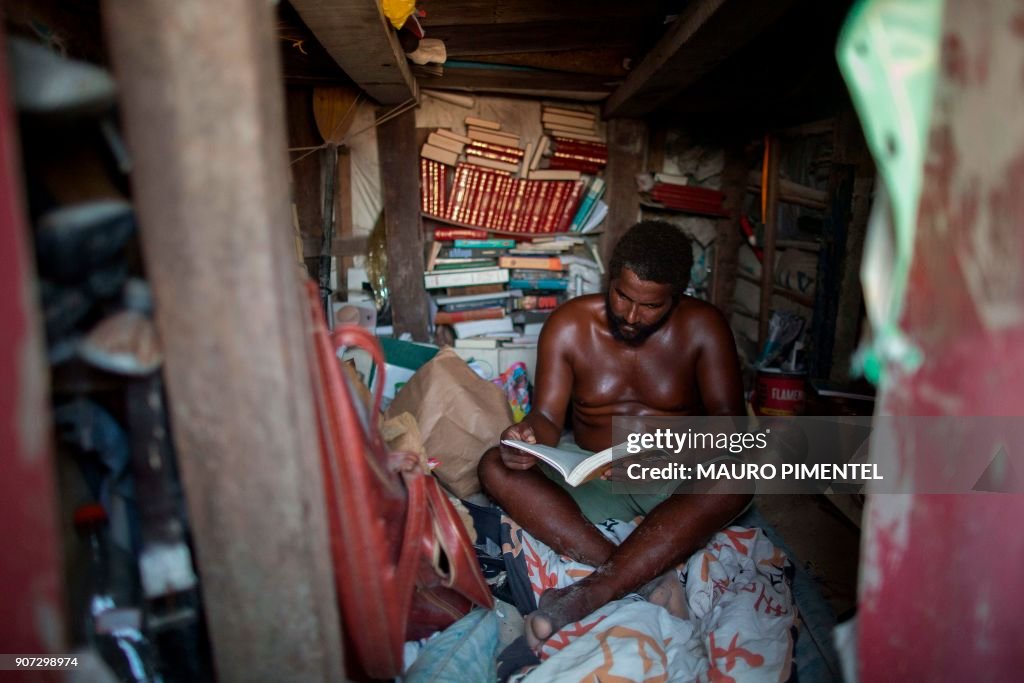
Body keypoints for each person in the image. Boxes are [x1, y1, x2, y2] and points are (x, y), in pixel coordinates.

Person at [478, 220, 751, 648]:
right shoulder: (570, 324)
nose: (630, 315)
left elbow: (732, 429)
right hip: (592, 478)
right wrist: (528, 434)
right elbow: (548, 416)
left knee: (738, 475)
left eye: (650, 306)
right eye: (622, 295)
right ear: (610, 278)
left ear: (676, 297)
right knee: (495, 464)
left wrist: (663, 455)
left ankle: (591, 592)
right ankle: (640, 574)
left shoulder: (704, 327)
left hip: (672, 481)